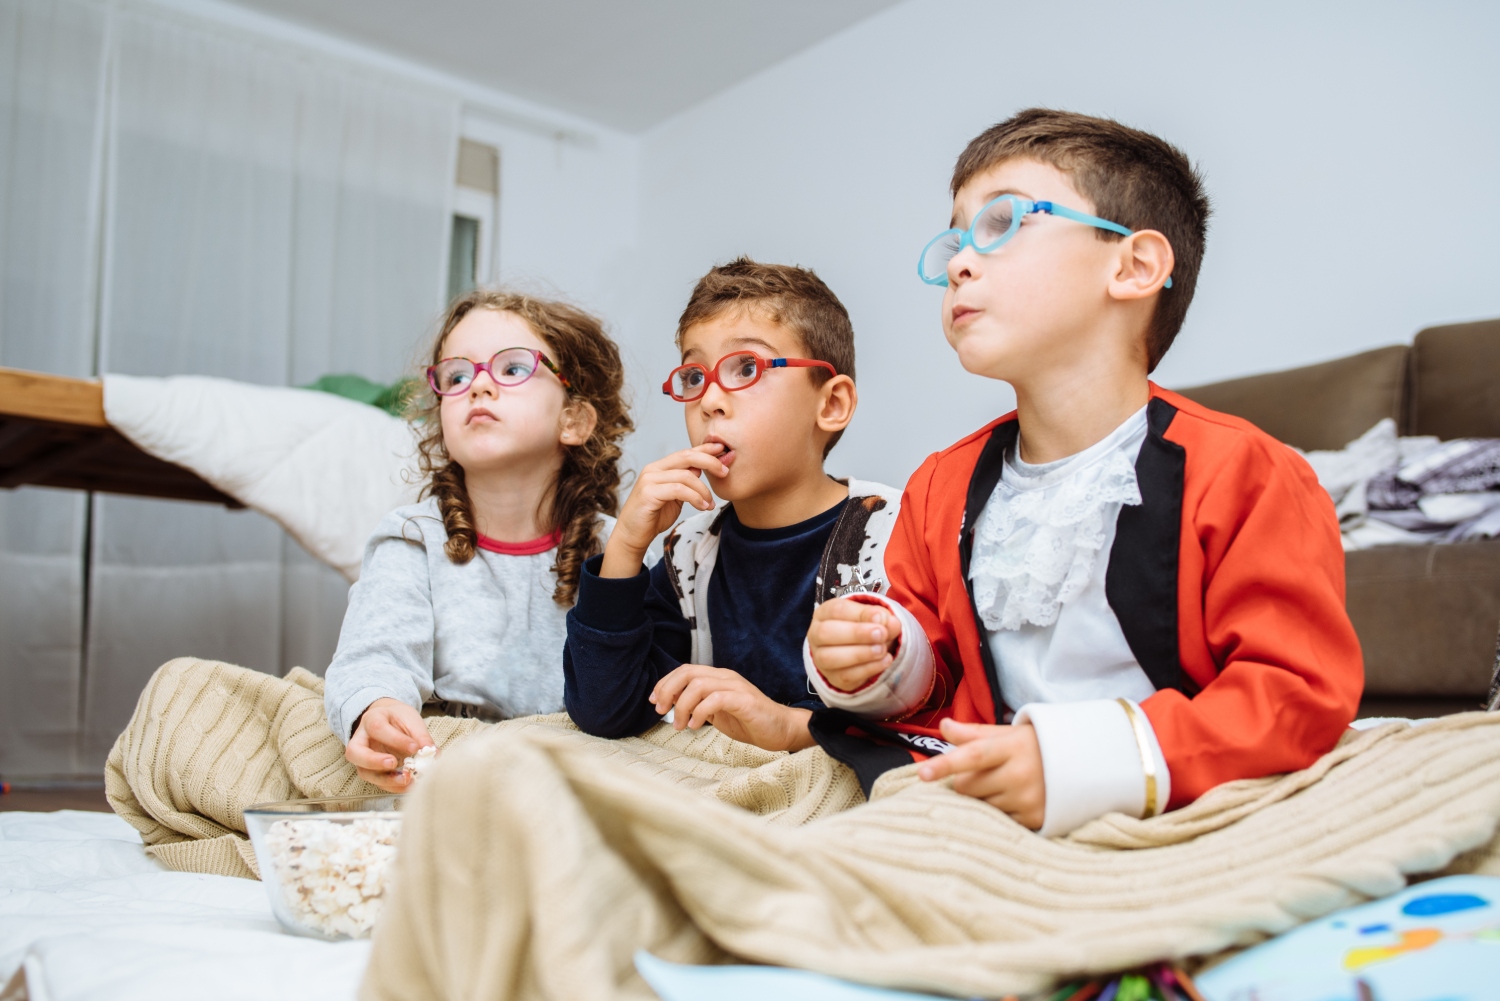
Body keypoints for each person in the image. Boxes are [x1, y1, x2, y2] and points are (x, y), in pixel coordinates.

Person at [804, 109, 1364, 836]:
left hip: (1172, 802)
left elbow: (1295, 691)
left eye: (1002, 224)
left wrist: (1091, 761)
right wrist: (879, 657)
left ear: (1133, 267)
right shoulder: (940, 485)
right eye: (955, 239)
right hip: (986, 809)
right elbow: (933, 674)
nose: (958, 263)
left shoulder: (1248, 472)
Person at [564, 258, 902, 752]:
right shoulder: (688, 553)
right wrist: (627, 547)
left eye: (746, 367)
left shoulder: (894, 533)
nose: (710, 401)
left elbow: (925, 718)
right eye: (694, 376)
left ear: (830, 405)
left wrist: (791, 727)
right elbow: (605, 711)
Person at [325, 289, 632, 793]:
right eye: (457, 376)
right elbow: (376, 654)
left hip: (573, 767)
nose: (478, 388)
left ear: (574, 419)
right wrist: (374, 707)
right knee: (189, 689)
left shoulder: (616, 548)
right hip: (441, 758)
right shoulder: (412, 538)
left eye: (511, 369)